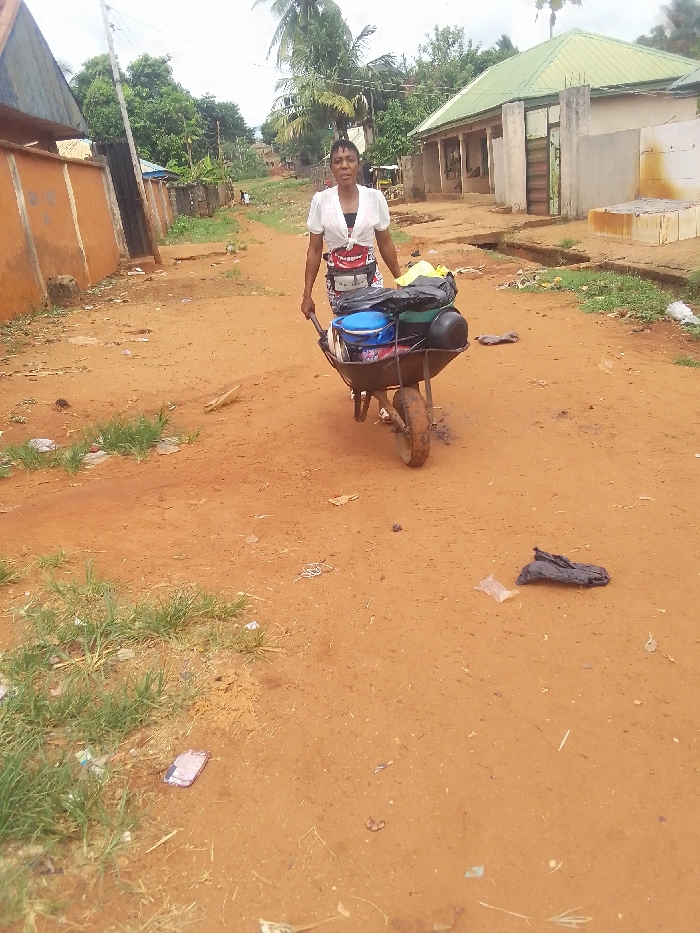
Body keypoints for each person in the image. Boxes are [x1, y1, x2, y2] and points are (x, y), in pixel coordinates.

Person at [301, 139, 401, 321]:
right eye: (337, 161)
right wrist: (307, 294)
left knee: (373, 328)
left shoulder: (374, 198)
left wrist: (400, 281)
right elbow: (314, 250)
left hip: (371, 281)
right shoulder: (321, 201)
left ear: (358, 165)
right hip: (338, 287)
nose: (344, 166)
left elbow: (385, 243)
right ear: (331, 168)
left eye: (350, 159)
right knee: (347, 330)